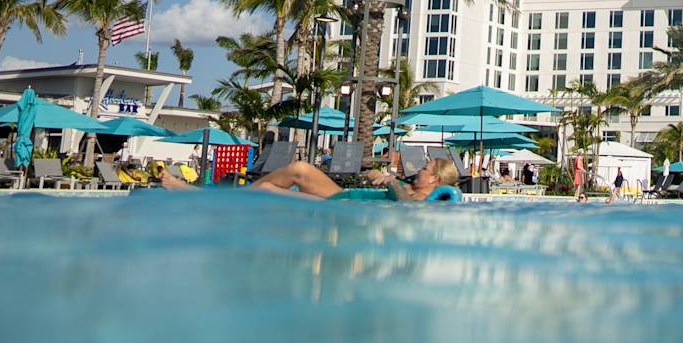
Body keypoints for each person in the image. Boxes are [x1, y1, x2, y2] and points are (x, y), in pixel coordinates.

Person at [159, 153, 461, 201]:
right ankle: (199, 194)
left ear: (434, 180)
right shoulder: (416, 189)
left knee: (265, 191)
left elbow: (406, 205)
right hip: (345, 197)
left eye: (425, 169)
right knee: (299, 168)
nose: (419, 170)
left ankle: (191, 193)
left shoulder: (424, 198)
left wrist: (392, 181)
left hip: (343, 205)